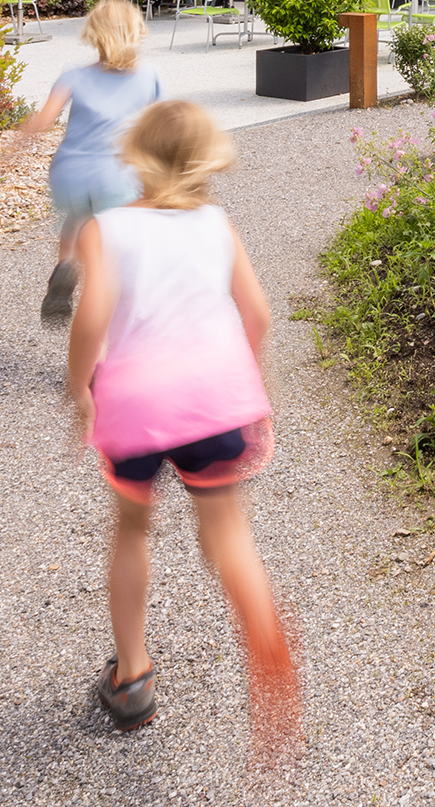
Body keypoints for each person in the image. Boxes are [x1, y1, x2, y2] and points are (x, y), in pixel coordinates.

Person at [65, 101, 293, 744]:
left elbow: (92, 317)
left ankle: (131, 676)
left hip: (137, 406)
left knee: (132, 528)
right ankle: (263, 626)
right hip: (215, 403)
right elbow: (259, 314)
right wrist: (251, 378)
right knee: (225, 532)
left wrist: (78, 384)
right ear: (207, 157)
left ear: (135, 154)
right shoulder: (217, 223)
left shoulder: (104, 229)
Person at [0, 0, 165, 326]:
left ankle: (66, 265)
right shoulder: (149, 76)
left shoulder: (73, 75)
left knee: (78, 216)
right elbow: (165, 126)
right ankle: (102, 345)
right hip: (118, 179)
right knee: (107, 266)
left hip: (69, 176)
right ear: (136, 32)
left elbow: (41, 122)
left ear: (93, 35)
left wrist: (0, 158)